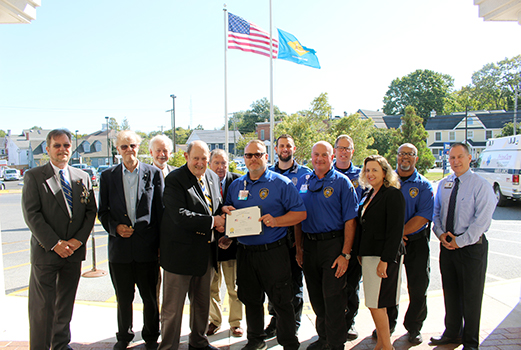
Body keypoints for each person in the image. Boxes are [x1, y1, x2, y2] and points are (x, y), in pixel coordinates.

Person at [222, 140, 306, 350]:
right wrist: (228, 228)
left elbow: (300, 214)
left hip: (274, 252)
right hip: (245, 253)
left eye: (257, 154)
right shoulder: (236, 185)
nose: (253, 159)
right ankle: (255, 341)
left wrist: (277, 221)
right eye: (249, 155)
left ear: (267, 156)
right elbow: (230, 215)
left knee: (282, 300)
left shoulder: (281, 183)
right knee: (251, 300)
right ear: (244, 158)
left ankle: (289, 343)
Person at [22, 129, 97, 350]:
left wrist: (77, 241)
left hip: (73, 254)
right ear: (47, 149)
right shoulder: (34, 176)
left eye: (66, 145)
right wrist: (56, 244)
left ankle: (61, 345)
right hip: (47, 253)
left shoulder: (82, 177)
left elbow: (91, 211)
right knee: (42, 309)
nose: (62, 150)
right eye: (57, 145)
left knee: (65, 305)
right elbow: (32, 215)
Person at [98, 130, 164, 350]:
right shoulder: (107, 177)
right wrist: (115, 228)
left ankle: (152, 336)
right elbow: (103, 212)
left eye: (133, 146)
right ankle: (124, 337)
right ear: (118, 150)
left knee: (150, 298)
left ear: (139, 147)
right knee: (123, 298)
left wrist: (160, 246)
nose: (129, 150)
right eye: (124, 147)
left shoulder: (154, 173)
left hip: (147, 248)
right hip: (120, 249)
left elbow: (160, 212)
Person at [159, 140, 225, 350]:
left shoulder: (213, 177)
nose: (200, 162)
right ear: (186, 157)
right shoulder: (175, 179)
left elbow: (214, 206)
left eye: (204, 158)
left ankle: (199, 342)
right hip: (180, 255)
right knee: (173, 309)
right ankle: (169, 346)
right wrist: (213, 221)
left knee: (201, 305)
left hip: (205, 253)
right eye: (195, 158)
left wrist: (224, 211)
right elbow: (180, 215)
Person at [430, 142, 496, 350]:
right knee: (450, 292)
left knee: (471, 297)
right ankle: (452, 333)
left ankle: (470, 342)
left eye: (459, 157)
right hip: (447, 246)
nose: (455, 161)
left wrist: (460, 241)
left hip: (471, 249)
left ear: (470, 158)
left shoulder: (480, 185)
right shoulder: (444, 184)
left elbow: (482, 221)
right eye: (451, 158)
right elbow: (437, 213)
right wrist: (441, 235)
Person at [294, 141, 359, 350]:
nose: (319, 159)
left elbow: (351, 220)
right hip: (310, 247)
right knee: (316, 296)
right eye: (316, 155)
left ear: (332, 157)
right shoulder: (304, 182)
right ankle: (323, 339)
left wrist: (345, 254)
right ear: (310, 157)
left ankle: (336, 343)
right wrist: (299, 248)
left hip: (334, 246)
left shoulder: (342, 183)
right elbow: (297, 217)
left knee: (334, 298)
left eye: (324, 155)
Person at [373, 143, 434, 344]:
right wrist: (394, 237)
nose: (405, 158)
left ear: (416, 158)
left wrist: (399, 233)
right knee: (389, 285)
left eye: (409, 154)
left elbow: (423, 216)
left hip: (415, 241)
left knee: (418, 286)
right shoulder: (387, 183)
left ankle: (414, 327)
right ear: (396, 157)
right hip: (391, 243)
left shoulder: (424, 185)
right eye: (401, 154)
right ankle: (387, 325)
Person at [264, 134, 312, 339]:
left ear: (294, 148)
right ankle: (275, 321)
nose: (285, 149)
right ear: (276, 149)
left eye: (288, 146)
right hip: (272, 237)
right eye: (281, 146)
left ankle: (294, 322)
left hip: (295, 236)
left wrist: (300, 246)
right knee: (274, 282)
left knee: (294, 282)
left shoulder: (306, 174)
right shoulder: (267, 173)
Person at [356, 155, 405, 350]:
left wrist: (385, 260)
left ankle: (386, 346)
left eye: (375, 170)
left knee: (378, 302)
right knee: (373, 302)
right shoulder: (370, 194)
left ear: (385, 172)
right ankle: (383, 344)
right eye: (367, 170)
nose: (370, 174)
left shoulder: (392, 194)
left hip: (382, 257)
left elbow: (395, 231)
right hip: (369, 256)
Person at [207, 148, 244, 337]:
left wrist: (231, 236)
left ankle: (236, 322)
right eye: (217, 163)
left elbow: (243, 212)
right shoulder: (202, 182)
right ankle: (214, 320)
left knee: (234, 287)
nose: (221, 167)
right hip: (210, 245)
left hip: (232, 245)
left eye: (224, 163)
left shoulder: (238, 181)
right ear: (209, 164)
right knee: (212, 288)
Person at [332, 134, 363, 340]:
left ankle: (349, 321)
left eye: (348, 148)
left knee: (352, 283)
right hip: (331, 238)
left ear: (353, 151)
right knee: (332, 284)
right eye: (340, 148)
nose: (343, 151)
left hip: (355, 237)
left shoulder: (362, 175)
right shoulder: (325, 172)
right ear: (334, 151)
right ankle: (331, 323)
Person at [149, 134, 176, 305]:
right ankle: (155, 318)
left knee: (173, 283)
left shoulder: (177, 174)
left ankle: (169, 317)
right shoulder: (143, 174)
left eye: (165, 150)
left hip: (174, 238)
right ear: (151, 152)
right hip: (151, 238)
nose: (162, 154)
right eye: (158, 150)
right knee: (153, 283)